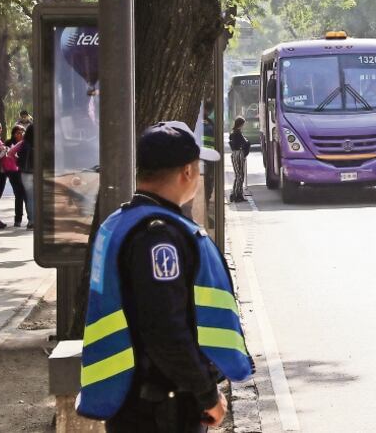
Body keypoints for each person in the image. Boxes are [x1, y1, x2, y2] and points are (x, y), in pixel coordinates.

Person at [76, 121, 253, 431]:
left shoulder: (121, 223)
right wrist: (207, 394)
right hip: (161, 409)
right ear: (187, 171)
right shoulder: (159, 239)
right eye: (198, 167)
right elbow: (164, 330)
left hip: (137, 400)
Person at [0, 125, 27, 227]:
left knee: (25, 195)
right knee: (19, 195)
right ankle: (18, 219)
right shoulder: (9, 143)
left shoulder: (26, 143)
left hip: (23, 171)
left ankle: (31, 219)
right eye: (18, 133)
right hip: (13, 173)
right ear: (14, 134)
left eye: (22, 132)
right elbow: (5, 158)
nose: (20, 134)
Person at [10, 123, 35, 229]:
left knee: (30, 197)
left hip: (25, 173)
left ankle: (32, 221)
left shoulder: (23, 143)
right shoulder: (42, 142)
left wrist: (18, 162)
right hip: (39, 173)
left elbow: (10, 153)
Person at [228, 117, 250, 203]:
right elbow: (245, 143)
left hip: (235, 154)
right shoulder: (237, 133)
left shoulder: (233, 133)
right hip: (238, 154)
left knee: (239, 175)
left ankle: (237, 194)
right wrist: (247, 143)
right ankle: (236, 194)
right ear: (240, 124)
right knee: (240, 175)